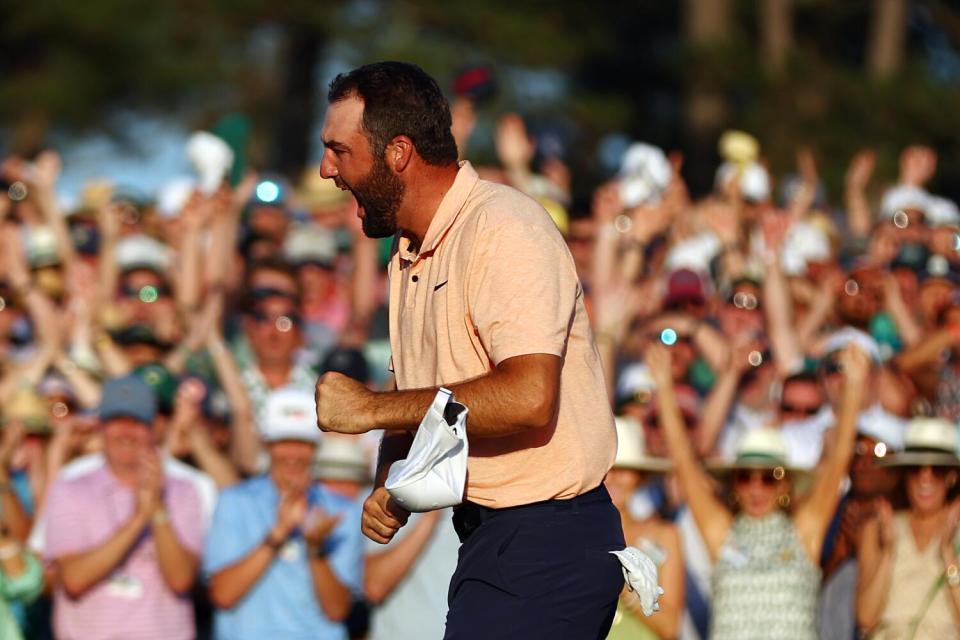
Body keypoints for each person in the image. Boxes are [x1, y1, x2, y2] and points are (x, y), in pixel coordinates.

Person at [313, 61, 625, 638]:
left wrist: (370, 409)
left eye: (339, 150)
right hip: (493, 540)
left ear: (398, 152)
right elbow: (433, 402)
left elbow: (529, 396)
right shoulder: (410, 252)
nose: (327, 169)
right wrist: (391, 478)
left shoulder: (503, 228)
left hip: (549, 542)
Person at [647, 341, 867, 639]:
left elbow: (839, 461)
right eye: (745, 477)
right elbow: (685, 464)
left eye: (769, 477)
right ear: (734, 485)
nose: (755, 487)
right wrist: (662, 385)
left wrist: (853, 387)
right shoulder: (723, 535)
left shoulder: (804, 533)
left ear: (785, 485)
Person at [42, 375, 204, 640]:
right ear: (100, 427)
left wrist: (159, 508)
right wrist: (139, 518)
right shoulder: (70, 489)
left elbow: (181, 579)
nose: (127, 433)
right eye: (117, 422)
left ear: (155, 428)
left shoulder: (183, 490)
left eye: (137, 423)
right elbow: (73, 579)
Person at [203, 389, 363, 640]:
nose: (293, 454)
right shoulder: (234, 501)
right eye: (283, 442)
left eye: (302, 443)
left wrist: (316, 549)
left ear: (315, 448)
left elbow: (337, 610)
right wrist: (279, 532)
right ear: (268, 445)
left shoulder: (343, 511)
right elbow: (223, 595)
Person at [856, 417, 960, 639]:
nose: (925, 477)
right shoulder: (878, 527)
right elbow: (865, 617)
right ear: (904, 473)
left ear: (952, 476)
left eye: (937, 469)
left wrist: (949, 556)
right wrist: (888, 552)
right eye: (915, 468)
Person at [605, 416, 684, 639]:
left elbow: (671, 627)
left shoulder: (665, 535)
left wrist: (623, 585)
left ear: (640, 477)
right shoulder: (575, 536)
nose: (613, 479)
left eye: (624, 470)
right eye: (606, 469)